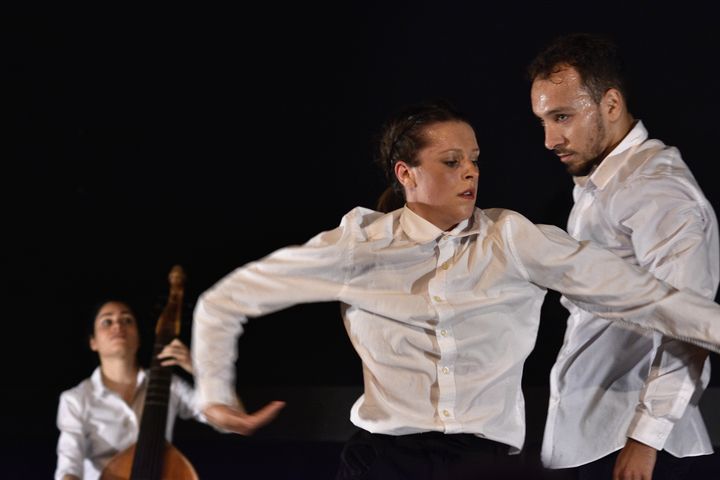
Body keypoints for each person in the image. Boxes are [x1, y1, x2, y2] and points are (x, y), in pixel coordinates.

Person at [190, 100, 720, 480]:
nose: (470, 172)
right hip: (383, 462)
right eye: (451, 162)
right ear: (407, 174)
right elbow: (225, 300)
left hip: (484, 462)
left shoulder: (512, 238)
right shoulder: (359, 244)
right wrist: (214, 394)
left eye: (474, 160)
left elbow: (647, 298)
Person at [528, 32, 719, 479]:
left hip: (634, 451)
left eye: (562, 117)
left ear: (610, 105)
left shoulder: (656, 190)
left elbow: (689, 323)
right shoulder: (603, 184)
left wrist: (644, 441)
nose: (549, 138)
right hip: (595, 440)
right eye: (542, 121)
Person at [54, 299, 205, 480]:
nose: (118, 325)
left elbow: (228, 419)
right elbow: (69, 463)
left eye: (127, 320)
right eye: (107, 322)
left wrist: (200, 370)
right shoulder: (76, 399)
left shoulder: (168, 385)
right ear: (93, 342)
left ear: (139, 337)